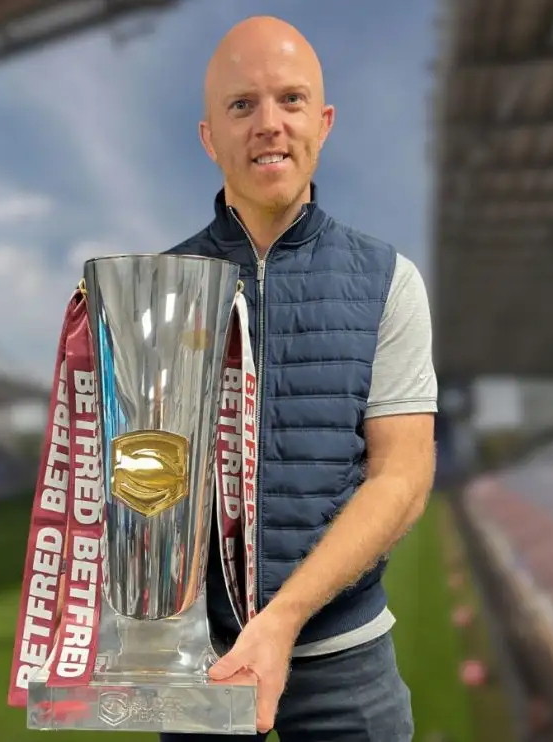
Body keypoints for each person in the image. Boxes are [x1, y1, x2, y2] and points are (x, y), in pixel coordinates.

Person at [161, 15, 437, 742]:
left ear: (324, 120)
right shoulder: (154, 292)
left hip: (348, 669)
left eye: (290, 100)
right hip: (203, 666)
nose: (269, 125)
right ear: (208, 135)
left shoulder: (390, 282)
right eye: (241, 106)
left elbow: (401, 479)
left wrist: (282, 620)